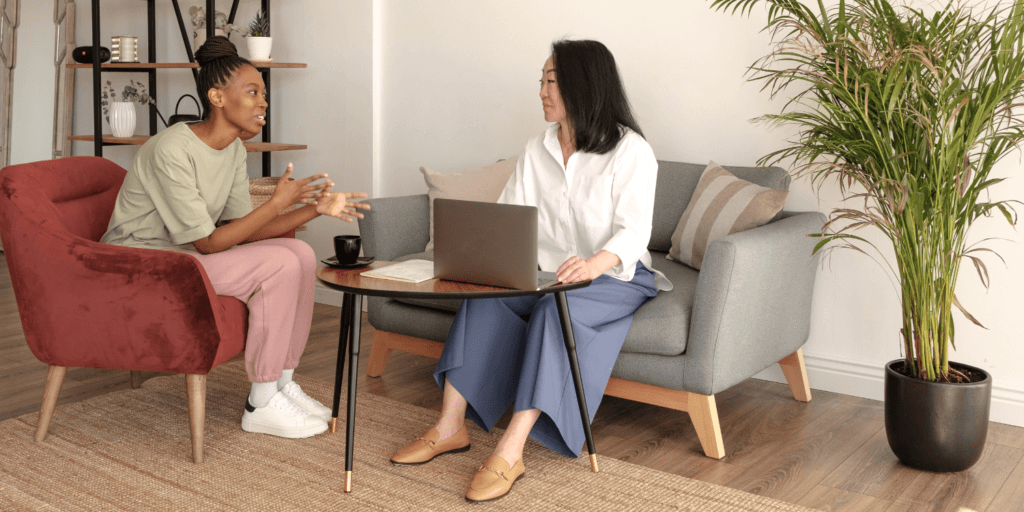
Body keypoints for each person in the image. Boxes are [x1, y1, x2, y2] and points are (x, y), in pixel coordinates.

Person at [389, 39, 673, 502]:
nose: (540, 91)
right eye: (540, 81)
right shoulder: (537, 147)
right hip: (544, 273)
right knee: (485, 299)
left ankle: (510, 449)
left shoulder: (631, 150)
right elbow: (510, 216)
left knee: (552, 312)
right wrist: (486, 261)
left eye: (551, 81)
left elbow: (635, 230)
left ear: (582, 85)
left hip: (614, 276)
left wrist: (594, 264)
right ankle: (449, 427)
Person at [101, 36, 370, 440]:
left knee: (299, 252)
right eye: (252, 92)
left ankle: (280, 382)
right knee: (278, 263)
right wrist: (277, 201)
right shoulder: (170, 150)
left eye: (264, 93)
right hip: (142, 264)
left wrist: (314, 208)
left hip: (183, 254)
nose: (263, 102)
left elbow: (245, 230)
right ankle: (260, 401)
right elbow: (208, 243)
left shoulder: (232, 150)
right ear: (217, 97)